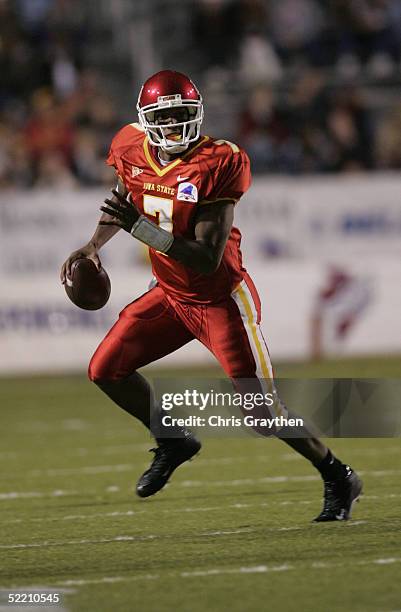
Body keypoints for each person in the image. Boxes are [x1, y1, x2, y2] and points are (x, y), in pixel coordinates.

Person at [60, 70, 362, 521]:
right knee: (105, 369)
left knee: (263, 414)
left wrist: (138, 228)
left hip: (220, 301)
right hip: (171, 296)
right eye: (167, 117)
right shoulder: (129, 146)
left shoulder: (220, 161)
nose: (177, 125)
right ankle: (173, 439)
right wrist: (92, 246)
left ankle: (339, 475)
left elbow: (205, 258)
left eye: (185, 115)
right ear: (145, 120)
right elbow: (125, 192)